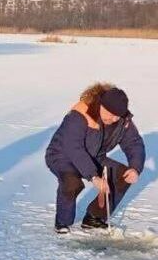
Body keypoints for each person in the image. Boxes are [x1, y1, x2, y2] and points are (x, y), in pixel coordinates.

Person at [44, 83, 146, 233]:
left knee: (122, 176)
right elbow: (74, 149)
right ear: (101, 104)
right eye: (109, 113)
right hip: (62, 155)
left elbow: (134, 143)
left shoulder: (123, 121)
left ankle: (94, 218)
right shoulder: (79, 115)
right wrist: (93, 176)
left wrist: (135, 167)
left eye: (116, 115)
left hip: (95, 156)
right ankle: (62, 223)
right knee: (71, 182)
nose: (112, 118)